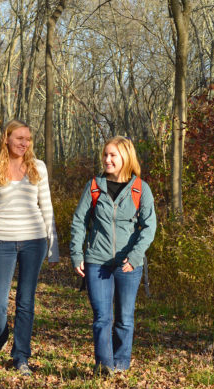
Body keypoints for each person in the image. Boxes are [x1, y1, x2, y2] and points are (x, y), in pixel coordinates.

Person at [0, 119, 59, 375]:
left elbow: (46, 206)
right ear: (6, 139)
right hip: (2, 239)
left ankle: (21, 356)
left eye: (28, 139)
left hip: (33, 240)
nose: (24, 144)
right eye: (19, 139)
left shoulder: (39, 168)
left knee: (26, 301)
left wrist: (53, 246)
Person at [69, 136, 156, 375]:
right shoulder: (94, 186)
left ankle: (121, 366)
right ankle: (104, 366)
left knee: (125, 318)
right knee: (102, 317)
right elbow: (79, 221)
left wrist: (136, 257)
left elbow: (149, 227)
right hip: (97, 261)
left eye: (112, 155)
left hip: (129, 264)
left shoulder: (140, 189)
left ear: (125, 158)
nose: (107, 160)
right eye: (105, 155)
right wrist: (77, 255)